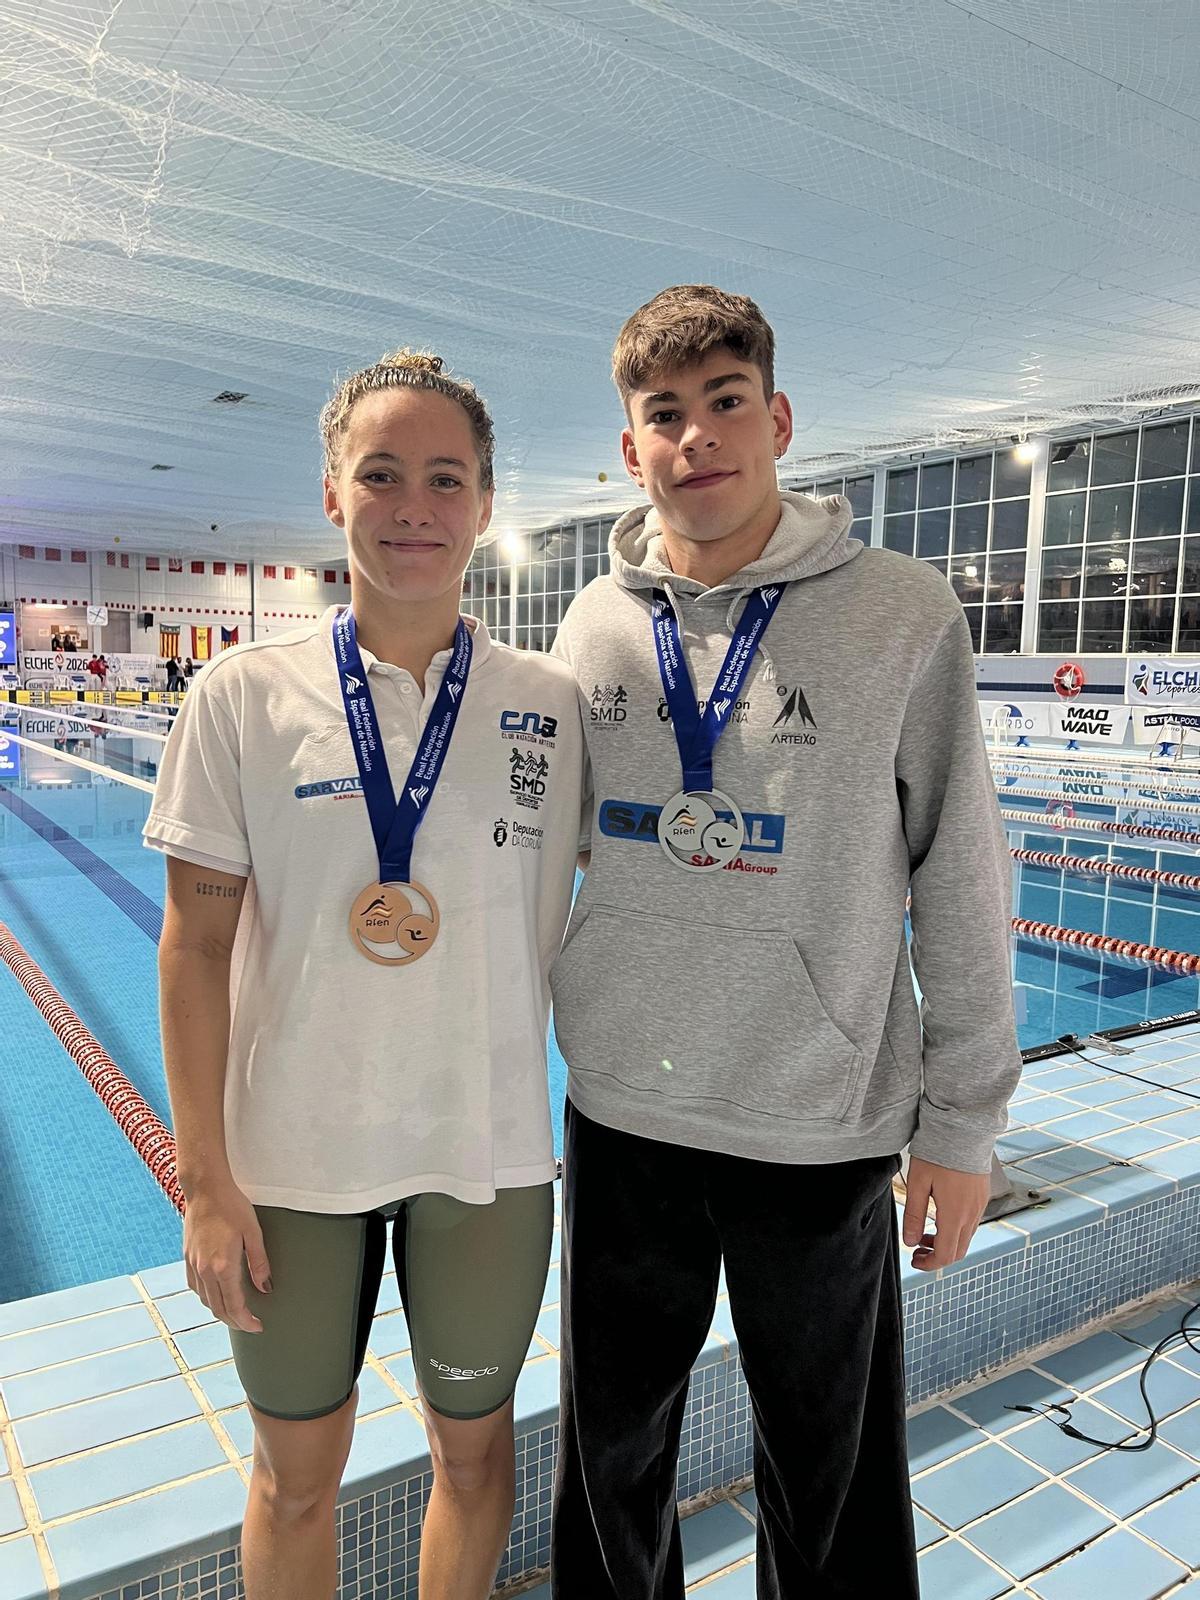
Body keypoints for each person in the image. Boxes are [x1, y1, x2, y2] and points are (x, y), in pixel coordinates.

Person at [547, 285, 1022, 1599]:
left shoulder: (900, 613)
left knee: (831, 1478)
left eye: (724, 402)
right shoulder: (592, 626)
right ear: (631, 448)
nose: (695, 436)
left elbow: (963, 873)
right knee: (610, 1461)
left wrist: (962, 1124)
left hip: (819, 1122)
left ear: (779, 420)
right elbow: (538, 861)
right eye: (663, 415)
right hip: (626, 1112)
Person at [144, 348, 583, 1600]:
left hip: (487, 1153)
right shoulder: (241, 697)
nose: (414, 508)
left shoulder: (550, 702)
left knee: (474, 1447)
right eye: (381, 475)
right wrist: (205, 1182)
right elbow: (194, 946)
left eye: (446, 479)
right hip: (290, 1162)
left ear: (487, 504)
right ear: (334, 493)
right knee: (293, 1475)